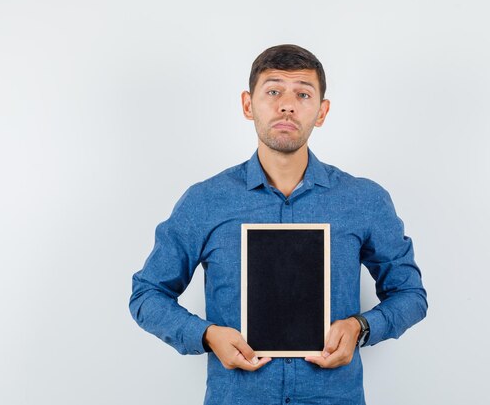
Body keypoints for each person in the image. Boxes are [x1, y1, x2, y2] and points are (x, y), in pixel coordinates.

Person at [129, 44, 428, 404]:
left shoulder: (364, 200)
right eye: (273, 91)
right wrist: (207, 335)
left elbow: (410, 294)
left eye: (303, 93)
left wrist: (360, 328)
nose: (287, 104)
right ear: (247, 104)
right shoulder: (205, 201)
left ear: (322, 111)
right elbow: (147, 294)